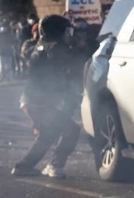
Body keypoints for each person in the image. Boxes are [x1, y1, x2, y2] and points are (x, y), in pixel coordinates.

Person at [12, 14, 84, 178]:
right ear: (56, 31)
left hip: (33, 100)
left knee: (48, 134)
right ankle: (55, 165)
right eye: (66, 32)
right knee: (71, 130)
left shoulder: (41, 46)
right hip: (38, 103)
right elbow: (71, 63)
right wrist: (81, 48)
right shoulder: (55, 48)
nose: (69, 36)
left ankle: (23, 166)